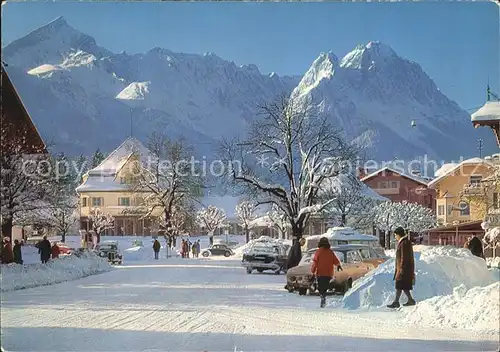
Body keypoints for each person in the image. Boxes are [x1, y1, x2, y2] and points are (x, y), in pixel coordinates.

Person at [387, 227, 416, 308]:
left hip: (404, 269)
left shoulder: (404, 243)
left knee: (400, 284)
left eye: (395, 235)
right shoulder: (404, 242)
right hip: (403, 268)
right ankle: (408, 300)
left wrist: (402, 268)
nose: (395, 237)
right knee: (401, 285)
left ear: (399, 234)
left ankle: (398, 302)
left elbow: (404, 257)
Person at [310, 237, 342, 308]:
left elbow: (315, 262)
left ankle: (322, 296)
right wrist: (338, 265)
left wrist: (313, 270)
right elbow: (335, 260)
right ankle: (323, 295)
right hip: (328, 273)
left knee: (321, 287)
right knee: (325, 286)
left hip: (320, 273)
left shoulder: (318, 251)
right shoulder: (330, 251)